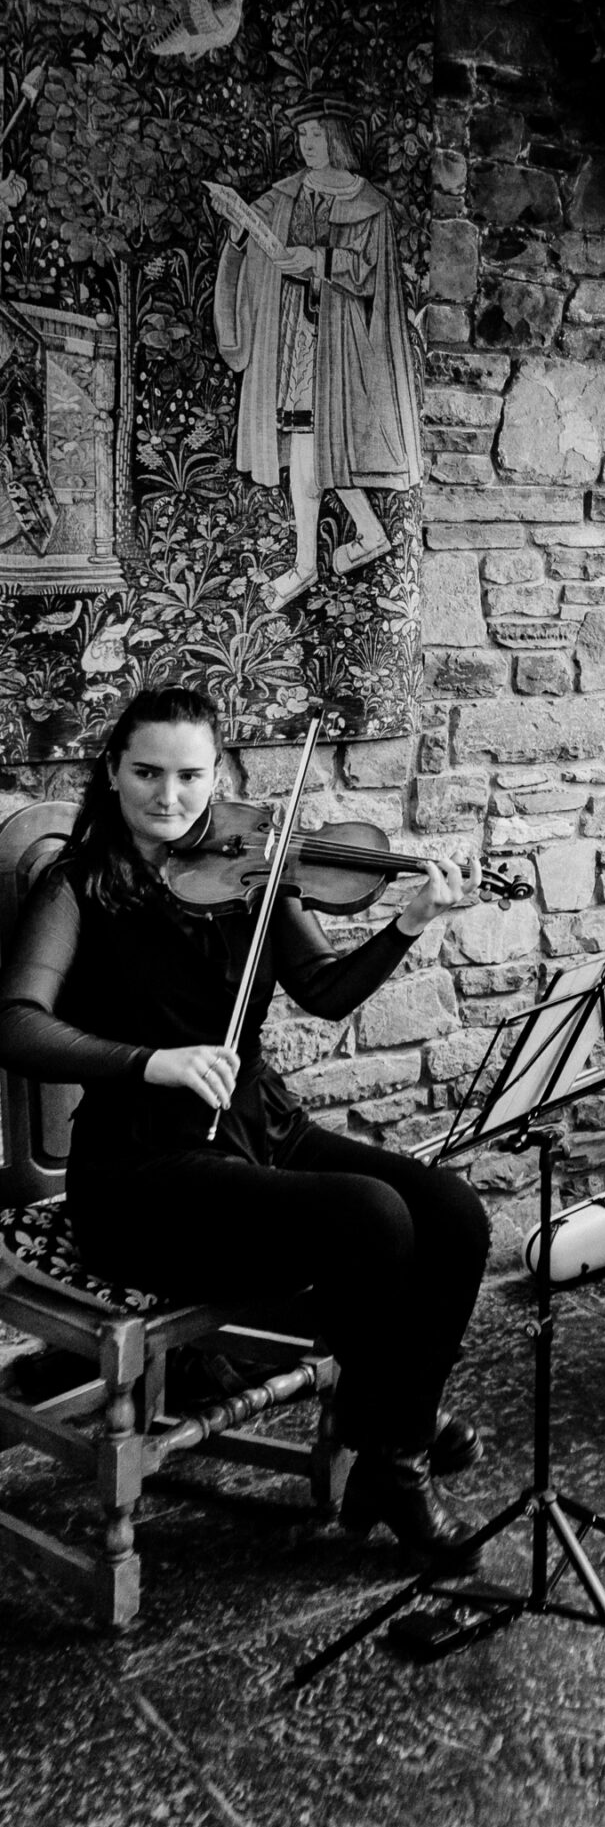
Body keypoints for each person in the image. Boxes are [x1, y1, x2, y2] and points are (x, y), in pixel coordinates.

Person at [0, 686, 490, 1567]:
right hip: (140, 1172)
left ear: (220, 774)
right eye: (147, 772)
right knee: (372, 1217)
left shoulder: (254, 874)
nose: (169, 795)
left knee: (453, 1210)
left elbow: (326, 992)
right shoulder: (78, 887)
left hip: (255, 1129)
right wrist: (151, 1060)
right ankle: (398, 1449)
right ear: (111, 772)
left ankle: (394, 1445)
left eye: (191, 774)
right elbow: (16, 1026)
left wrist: (407, 925)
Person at [211, 99, 423, 610]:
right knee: (309, 448)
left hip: (340, 342)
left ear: (336, 139)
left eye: (316, 136)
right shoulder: (289, 192)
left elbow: (370, 272)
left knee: (318, 450)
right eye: (302, 136)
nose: (308, 146)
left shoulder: (367, 202)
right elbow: (251, 233)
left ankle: (310, 565)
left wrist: (318, 260)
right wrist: (238, 227)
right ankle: (361, 538)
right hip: (291, 335)